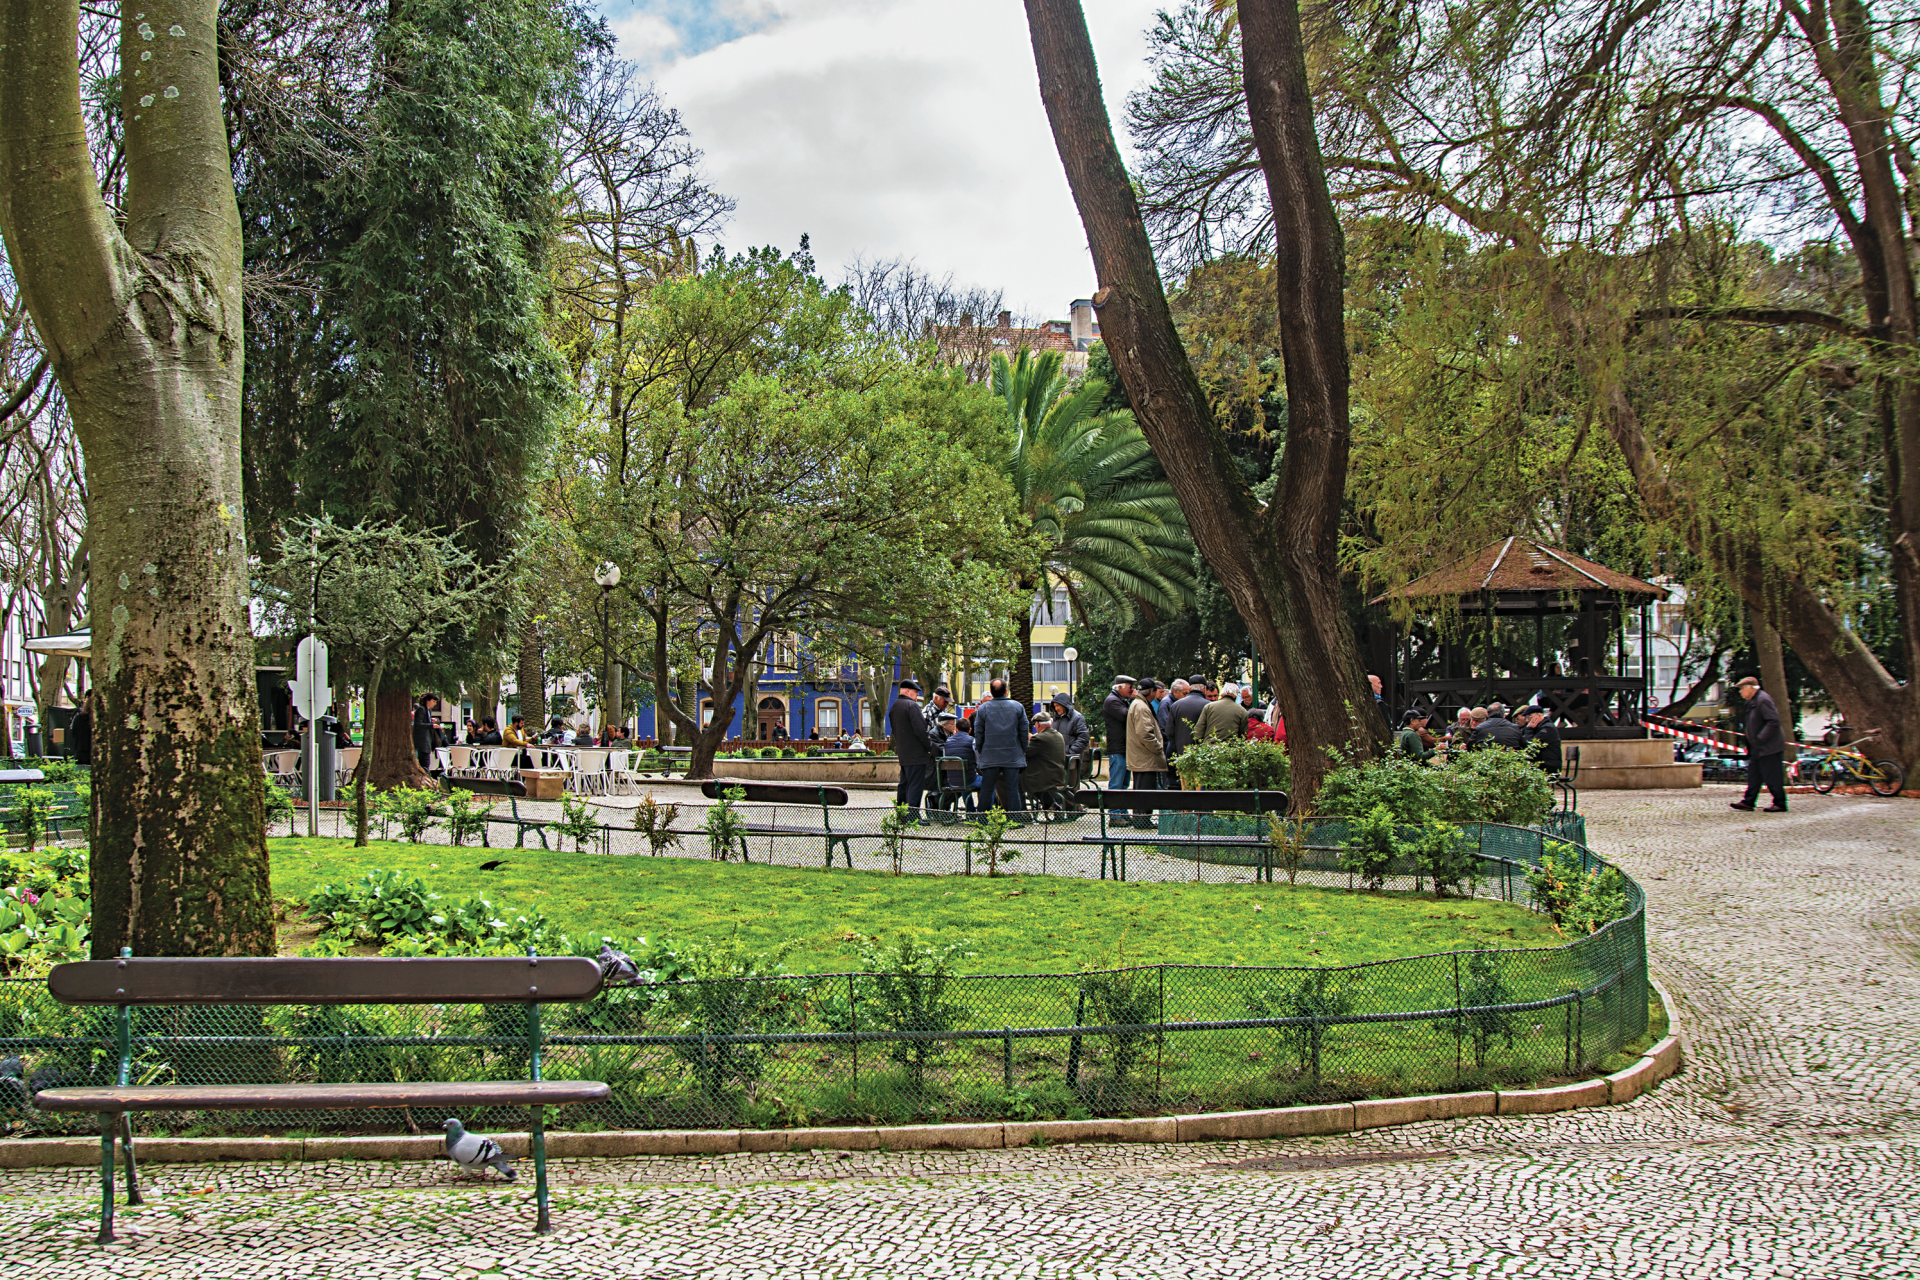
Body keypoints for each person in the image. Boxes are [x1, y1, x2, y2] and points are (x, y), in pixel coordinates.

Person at [972, 678, 1030, 814]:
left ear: (991, 692)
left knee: (987, 788)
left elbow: (978, 733)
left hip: (990, 755)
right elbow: (1024, 731)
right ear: (1006, 691)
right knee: (1012, 788)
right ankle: (1015, 819)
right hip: (1012, 755)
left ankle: (983, 818)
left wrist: (981, 750)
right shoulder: (1017, 707)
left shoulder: (983, 709)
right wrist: (1022, 750)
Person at [1730, 676, 1788, 812]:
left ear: (1751, 688)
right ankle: (1748, 801)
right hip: (1758, 747)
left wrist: (1760, 738)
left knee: (1772, 776)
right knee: (1754, 775)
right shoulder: (1752, 702)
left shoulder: (1763, 700)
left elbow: (1773, 721)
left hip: (1769, 747)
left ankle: (1780, 803)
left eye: (1742, 689)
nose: (1741, 692)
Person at [888, 679, 936, 816]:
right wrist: (929, 747)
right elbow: (921, 730)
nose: (916, 696)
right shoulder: (912, 706)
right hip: (916, 753)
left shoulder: (894, 707)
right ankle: (913, 815)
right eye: (915, 692)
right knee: (915, 785)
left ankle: (902, 813)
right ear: (907, 691)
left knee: (904, 784)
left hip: (904, 753)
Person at [1124, 679, 1169, 825]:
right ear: (1151, 691)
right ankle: (1142, 821)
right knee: (1145, 792)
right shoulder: (1141, 706)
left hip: (1142, 757)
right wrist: (1158, 748)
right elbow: (1145, 734)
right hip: (1145, 758)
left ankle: (1141, 819)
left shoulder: (1138, 704)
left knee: (1142, 791)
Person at [1023, 712, 1069, 807]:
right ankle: (1052, 804)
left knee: (1015, 780)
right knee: (1030, 780)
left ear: (1038, 724)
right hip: (1058, 775)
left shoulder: (1039, 738)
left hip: (1045, 778)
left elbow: (1025, 754)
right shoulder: (1058, 735)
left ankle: (1022, 812)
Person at [938, 711, 979, 812]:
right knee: (988, 782)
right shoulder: (972, 741)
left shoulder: (947, 742)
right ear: (970, 730)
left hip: (952, 781)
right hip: (968, 780)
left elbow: (944, 759)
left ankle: (971, 811)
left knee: (964, 780)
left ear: (956, 729)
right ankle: (984, 811)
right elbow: (978, 760)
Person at [1102, 676, 1135, 791]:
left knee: (1124, 783)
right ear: (1120, 687)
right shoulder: (1113, 701)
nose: (1132, 690)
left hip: (1123, 747)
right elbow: (1127, 716)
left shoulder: (1120, 700)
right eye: (1130, 687)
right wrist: (1134, 700)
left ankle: (1121, 808)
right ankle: (1115, 809)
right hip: (1117, 748)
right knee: (1117, 783)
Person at [1049, 692, 1090, 782]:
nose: (1056, 708)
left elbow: (1083, 738)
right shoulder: (1056, 719)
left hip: (1072, 761)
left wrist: (1070, 752)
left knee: (1071, 787)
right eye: (1055, 706)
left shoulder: (1077, 718)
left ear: (1064, 705)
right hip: (1058, 760)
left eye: (1058, 706)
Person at [1194, 680, 1251, 745]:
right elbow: (1243, 735)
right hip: (1230, 750)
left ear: (1221, 694)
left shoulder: (1209, 707)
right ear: (1235, 696)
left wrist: (1200, 746)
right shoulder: (1242, 711)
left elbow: (1198, 731)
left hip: (1209, 748)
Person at [1169, 678, 1208, 763]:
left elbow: (1169, 731)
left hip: (1182, 753)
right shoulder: (1209, 706)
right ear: (1205, 689)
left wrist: (1177, 747)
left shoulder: (1176, 705)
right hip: (1203, 755)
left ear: (1190, 688)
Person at [1518, 705, 1563, 775]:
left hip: (1548, 767)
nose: (1527, 720)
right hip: (1540, 764)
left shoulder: (1547, 728)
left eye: (1529, 717)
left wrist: (1529, 729)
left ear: (1539, 715)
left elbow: (1531, 746)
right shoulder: (1536, 727)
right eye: (1526, 718)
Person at [413, 695, 439, 770]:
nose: (434, 703)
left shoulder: (428, 710)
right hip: (422, 742)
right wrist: (431, 725)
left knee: (426, 763)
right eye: (433, 701)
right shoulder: (421, 709)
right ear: (428, 700)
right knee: (425, 763)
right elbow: (418, 724)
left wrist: (430, 720)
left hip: (426, 742)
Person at [68, 692, 92, 766]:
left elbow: (73, 733)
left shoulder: (78, 718)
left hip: (80, 749)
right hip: (92, 751)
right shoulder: (96, 720)